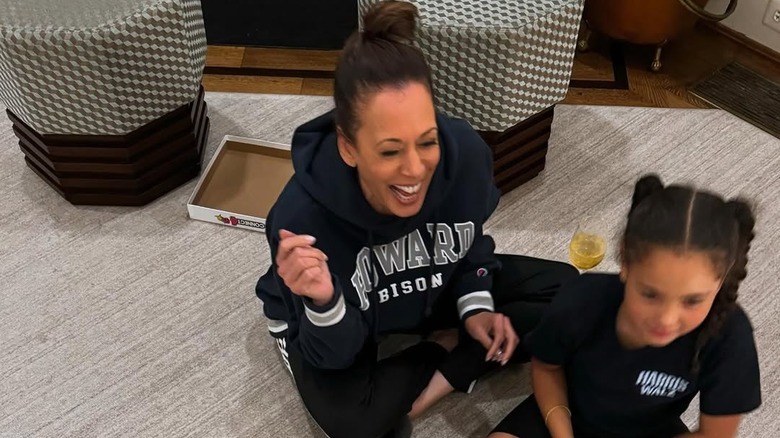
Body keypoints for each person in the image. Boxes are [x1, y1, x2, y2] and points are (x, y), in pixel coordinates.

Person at [253, 1, 578, 437]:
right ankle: (442, 348)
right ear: (348, 147)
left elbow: (468, 243)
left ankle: (441, 368)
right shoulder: (300, 219)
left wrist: (476, 302)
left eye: (426, 142)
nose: (415, 170)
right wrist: (324, 301)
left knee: (571, 296)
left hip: (427, 285)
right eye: (390, 151)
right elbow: (333, 355)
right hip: (344, 313)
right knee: (354, 422)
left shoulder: (463, 154)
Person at [489, 174, 762, 438]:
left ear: (722, 280)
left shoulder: (730, 336)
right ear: (625, 262)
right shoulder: (581, 299)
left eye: (693, 300)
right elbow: (547, 368)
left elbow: (714, 434)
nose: (667, 319)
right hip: (567, 411)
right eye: (650, 294)